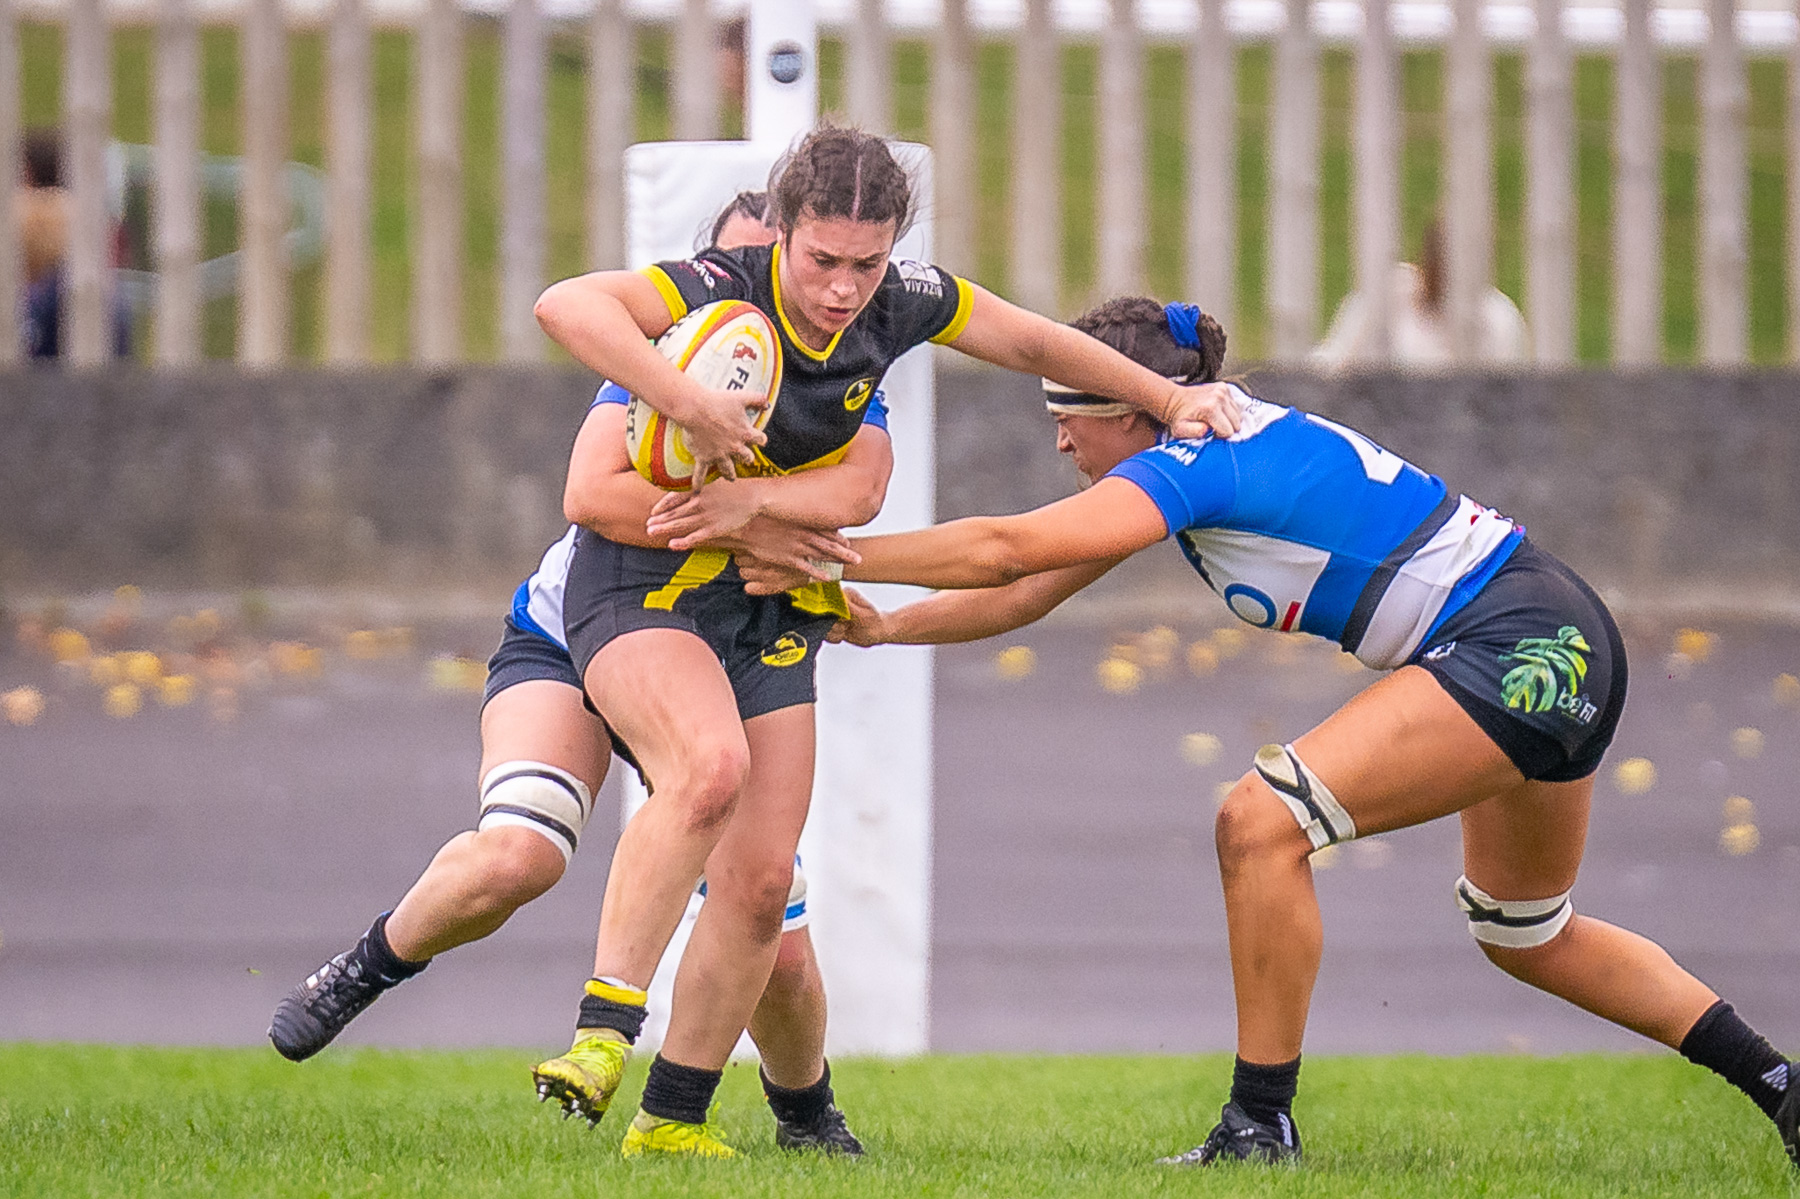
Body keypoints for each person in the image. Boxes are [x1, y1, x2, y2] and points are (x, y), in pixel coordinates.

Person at [812, 294, 1799, 1169]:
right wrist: (887, 622)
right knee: (1525, 931)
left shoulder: (1197, 461)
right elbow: (1028, 586)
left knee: (1261, 821)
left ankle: (1259, 1122)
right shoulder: (1203, 450)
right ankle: (1781, 1084)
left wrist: (821, 541)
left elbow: (1002, 547)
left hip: (1516, 639)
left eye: (1067, 419)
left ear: (1128, 407)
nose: (1060, 445)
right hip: (1554, 621)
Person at [526, 125, 1245, 1159]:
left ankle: (669, 1124)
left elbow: (1034, 342)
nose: (841, 289)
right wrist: (688, 403)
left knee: (766, 885)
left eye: (866, 263)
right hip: (638, 588)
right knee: (712, 767)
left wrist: (1171, 398)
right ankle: (602, 1031)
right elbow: (566, 304)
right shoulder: (716, 286)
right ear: (783, 234)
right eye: (822, 260)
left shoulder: (901, 302)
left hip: (770, 604)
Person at [267, 191, 870, 1155]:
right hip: (578, 638)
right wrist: (761, 518)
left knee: (769, 921)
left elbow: (869, 507)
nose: (752, 317)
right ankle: (369, 964)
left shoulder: (840, 382)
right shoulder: (665, 368)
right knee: (520, 855)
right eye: (734, 274)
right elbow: (592, 495)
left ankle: (807, 1117)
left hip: (725, 653)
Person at [1311, 219, 1527, 370]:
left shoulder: (1499, 318)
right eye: (1436, 261)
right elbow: (1328, 364)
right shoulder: (1388, 295)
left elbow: (1507, 397)